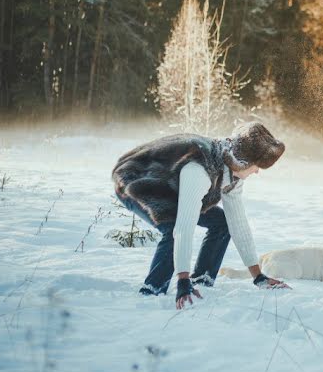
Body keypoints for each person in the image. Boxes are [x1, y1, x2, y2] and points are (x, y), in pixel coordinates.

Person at [112, 121, 290, 309]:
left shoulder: (232, 174)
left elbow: (237, 222)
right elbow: (183, 228)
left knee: (222, 223)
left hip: (172, 185)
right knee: (172, 226)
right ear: (242, 162)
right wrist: (182, 280)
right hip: (136, 180)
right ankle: (152, 291)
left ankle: (202, 280)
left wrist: (258, 276)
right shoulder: (199, 170)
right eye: (256, 166)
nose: (257, 171)